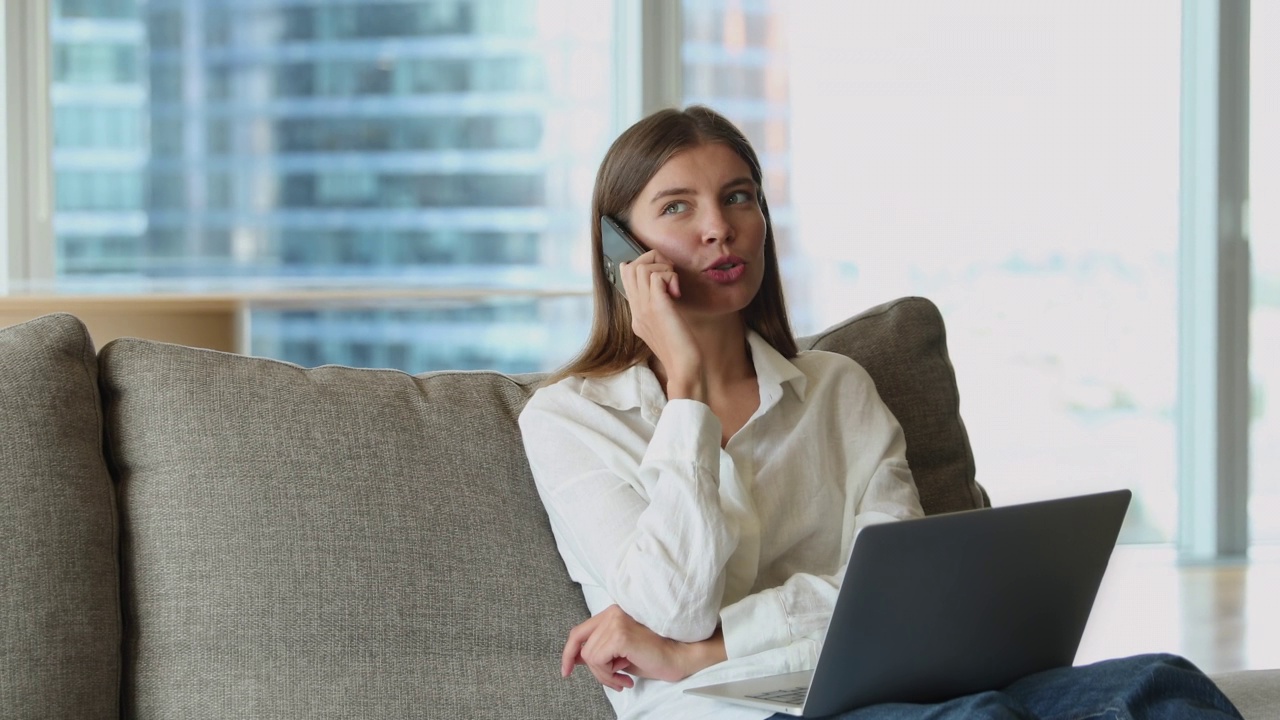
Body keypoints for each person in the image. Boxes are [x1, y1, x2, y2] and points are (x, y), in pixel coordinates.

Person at [517, 106, 1242, 720]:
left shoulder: (838, 390)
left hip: (897, 692)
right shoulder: (568, 420)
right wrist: (685, 387)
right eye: (677, 207)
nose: (719, 228)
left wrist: (704, 649)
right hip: (740, 711)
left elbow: (894, 603)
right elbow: (672, 607)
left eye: (739, 197)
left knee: (1160, 684)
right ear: (622, 251)